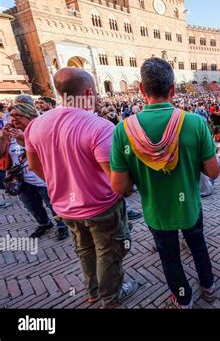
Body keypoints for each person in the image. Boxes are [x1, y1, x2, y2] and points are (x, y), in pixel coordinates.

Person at [110, 58, 219, 309]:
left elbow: (119, 187)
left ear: (140, 89)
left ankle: (183, 298)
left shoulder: (122, 130)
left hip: (156, 212)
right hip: (190, 207)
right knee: (198, 246)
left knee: (170, 257)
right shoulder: (194, 122)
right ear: (173, 90)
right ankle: (209, 286)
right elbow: (213, 171)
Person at [25, 67, 138, 309]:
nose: (98, 97)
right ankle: (111, 297)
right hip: (101, 207)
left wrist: (63, 183)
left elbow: (34, 166)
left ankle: (93, 292)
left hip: (66, 208)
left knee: (85, 250)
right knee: (109, 252)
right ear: (87, 92)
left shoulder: (35, 125)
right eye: (96, 92)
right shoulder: (100, 127)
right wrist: (129, 189)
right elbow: (116, 180)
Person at [0, 103, 69, 240]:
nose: (14, 119)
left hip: (43, 177)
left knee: (53, 204)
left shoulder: (41, 130)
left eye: (18, 115)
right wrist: (2, 138)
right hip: (21, 179)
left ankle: (62, 225)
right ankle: (44, 223)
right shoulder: (9, 133)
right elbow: (1, 153)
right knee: (32, 205)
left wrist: (25, 138)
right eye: (12, 116)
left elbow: (48, 152)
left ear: (30, 116)